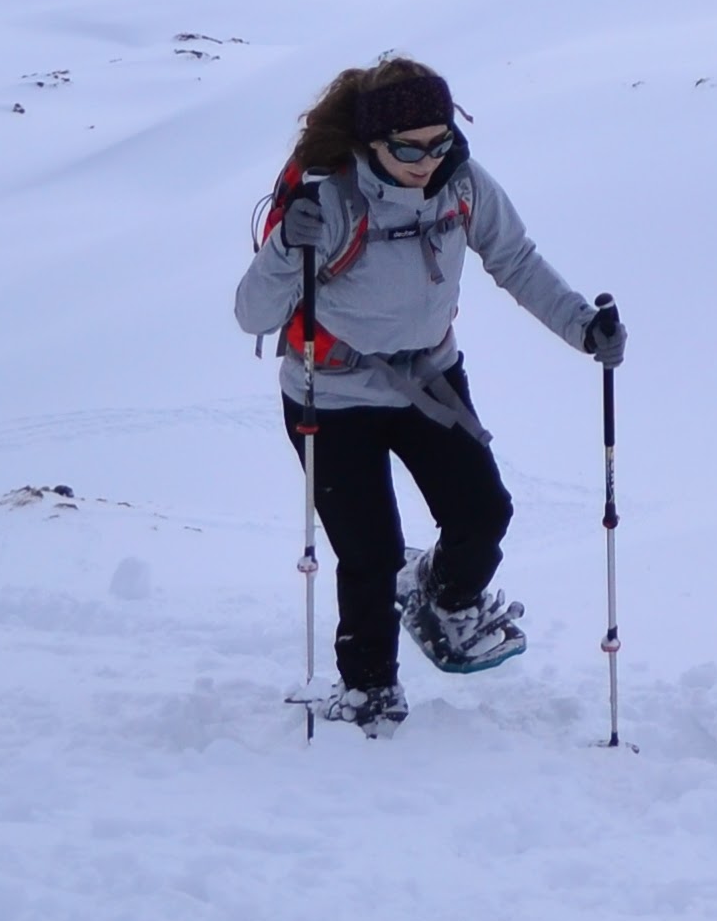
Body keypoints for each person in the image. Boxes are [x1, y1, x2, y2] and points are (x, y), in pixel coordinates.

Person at [236, 54, 624, 729]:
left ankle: (442, 599)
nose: (425, 159)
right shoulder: (328, 203)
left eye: (439, 142)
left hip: (429, 380)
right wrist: (281, 250)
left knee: (483, 514)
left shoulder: (464, 188)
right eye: (407, 147)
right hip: (329, 393)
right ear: (370, 144)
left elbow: (517, 261)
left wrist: (584, 330)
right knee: (369, 554)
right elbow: (253, 314)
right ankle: (369, 691)